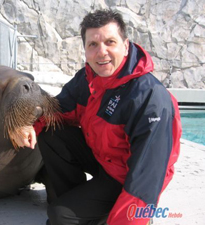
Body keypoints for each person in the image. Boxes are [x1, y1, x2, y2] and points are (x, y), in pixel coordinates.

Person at [11, 9, 182, 225]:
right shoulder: (88, 78)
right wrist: (27, 126)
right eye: (93, 44)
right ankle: (75, 203)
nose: (102, 52)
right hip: (103, 157)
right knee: (52, 133)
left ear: (125, 45)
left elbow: (146, 178)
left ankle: (93, 214)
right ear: (85, 49)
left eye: (110, 42)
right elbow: (57, 110)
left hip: (127, 176)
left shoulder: (149, 98)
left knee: (59, 217)